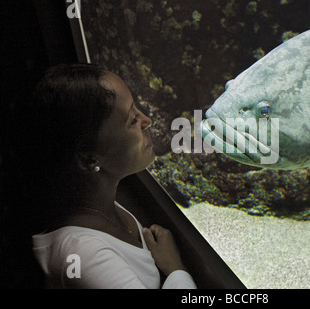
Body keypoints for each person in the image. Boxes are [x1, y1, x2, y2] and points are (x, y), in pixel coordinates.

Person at [28, 63, 196, 288]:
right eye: (132, 120)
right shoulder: (85, 258)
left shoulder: (98, 201)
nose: (147, 120)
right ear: (90, 159)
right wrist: (176, 269)